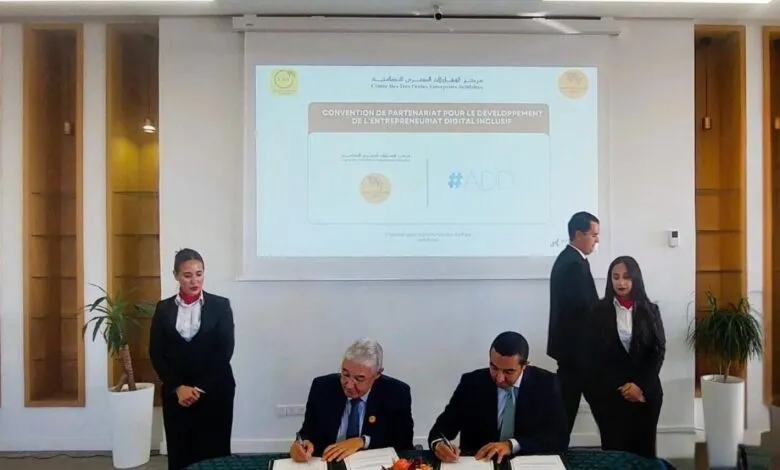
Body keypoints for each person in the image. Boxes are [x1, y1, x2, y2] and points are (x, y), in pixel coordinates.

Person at [149, 248, 236, 470]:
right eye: (187, 275)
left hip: (215, 390)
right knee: (180, 452)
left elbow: (225, 351)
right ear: (176, 276)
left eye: (199, 274)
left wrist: (198, 388)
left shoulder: (220, 306)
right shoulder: (163, 308)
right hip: (177, 393)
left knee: (215, 453)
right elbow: (156, 352)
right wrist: (178, 387)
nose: (194, 280)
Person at [428, 332, 568, 463]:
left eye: (508, 371)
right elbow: (440, 430)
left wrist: (511, 445)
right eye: (494, 368)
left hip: (526, 462)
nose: (499, 378)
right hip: (480, 462)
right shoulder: (471, 383)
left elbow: (559, 440)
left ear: (524, 366)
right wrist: (438, 444)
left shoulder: (547, 384)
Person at [586, 256, 665, 459]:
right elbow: (594, 355)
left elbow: (658, 351)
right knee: (615, 455)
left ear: (635, 278)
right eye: (616, 277)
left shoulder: (650, 310)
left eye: (626, 277)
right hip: (610, 395)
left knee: (644, 455)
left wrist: (639, 386)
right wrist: (621, 387)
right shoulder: (598, 311)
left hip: (644, 394)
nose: (621, 282)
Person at [291, 339, 414, 463]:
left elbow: (404, 444)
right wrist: (301, 444)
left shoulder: (396, 393)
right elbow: (307, 433)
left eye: (359, 378)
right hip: (329, 463)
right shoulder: (322, 387)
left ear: (377, 374)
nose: (349, 385)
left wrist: (363, 441)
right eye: (345, 374)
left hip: (372, 464)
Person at [547, 211, 600, 433]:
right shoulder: (573, 264)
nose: (597, 240)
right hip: (578, 354)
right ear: (579, 234)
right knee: (568, 413)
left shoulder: (571, 259)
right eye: (594, 235)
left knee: (565, 412)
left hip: (573, 354)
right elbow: (583, 308)